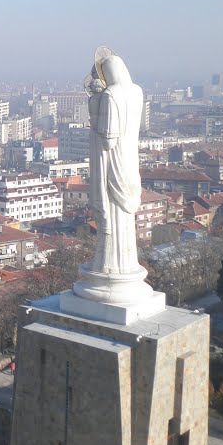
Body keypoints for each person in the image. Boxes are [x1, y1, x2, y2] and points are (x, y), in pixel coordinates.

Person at [85, 47, 144, 277]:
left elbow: (109, 139)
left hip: (113, 162)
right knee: (125, 219)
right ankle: (126, 262)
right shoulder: (137, 91)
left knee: (112, 212)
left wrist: (95, 117)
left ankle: (109, 263)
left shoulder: (111, 95)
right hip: (130, 161)